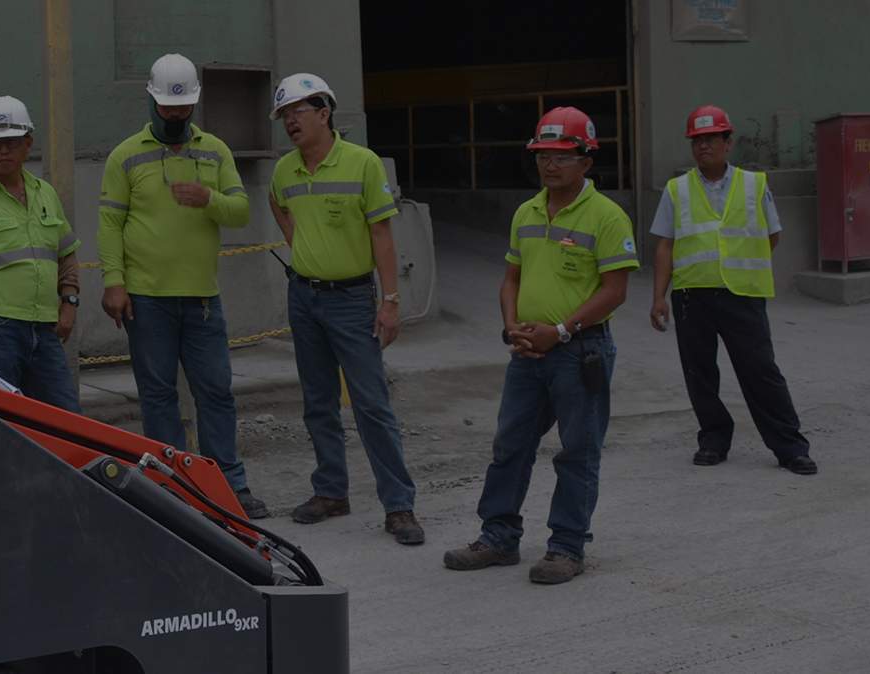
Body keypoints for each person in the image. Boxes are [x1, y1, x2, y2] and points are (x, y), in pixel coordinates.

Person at [443, 107, 637, 585]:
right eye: (542, 156)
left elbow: (614, 290)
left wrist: (563, 331)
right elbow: (511, 278)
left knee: (577, 451)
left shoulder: (607, 217)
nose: (550, 165)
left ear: (587, 161)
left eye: (562, 156)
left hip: (579, 352)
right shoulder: (526, 213)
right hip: (528, 352)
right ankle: (498, 536)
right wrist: (511, 328)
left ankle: (566, 547)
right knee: (510, 445)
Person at [98, 54, 267, 517]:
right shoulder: (125, 155)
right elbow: (110, 223)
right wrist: (114, 282)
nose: (176, 115)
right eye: (169, 108)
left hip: (201, 299)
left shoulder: (214, 151)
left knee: (215, 391)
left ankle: (228, 487)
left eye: (184, 107)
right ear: (151, 101)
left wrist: (208, 197)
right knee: (158, 396)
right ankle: (171, 488)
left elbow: (241, 210)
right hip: (147, 299)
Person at [266, 73, 422, 544]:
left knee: (372, 405)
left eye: (298, 111)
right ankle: (331, 492)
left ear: (324, 112)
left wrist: (390, 300)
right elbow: (278, 205)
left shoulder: (362, 164)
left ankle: (399, 505)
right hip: (304, 298)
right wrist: (303, 247)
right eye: (284, 115)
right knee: (318, 402)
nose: (290, 121)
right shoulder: (284, 171)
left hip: (353, 300)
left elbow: (382, 236)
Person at [648, 104, 817, 475]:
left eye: (711, 139)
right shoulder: (677, 190)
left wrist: (740, 261)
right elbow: (664, 244)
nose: (703, 146)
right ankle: (713, 439)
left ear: (728, 142)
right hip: (692, 295)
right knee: (699, 372)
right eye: (697, 140)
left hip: (742, 293)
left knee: (760, 371)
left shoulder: (755, 184)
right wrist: (659, 296)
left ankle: (790, 446)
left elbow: (773, 235)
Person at [0, 96, 82, 411]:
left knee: (66, 419)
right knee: (3, 422)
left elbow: (67, 255)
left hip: (46, 330)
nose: (4, 150)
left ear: (28, 144)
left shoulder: (45, 194)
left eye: (11, 142)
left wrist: (70, 302)